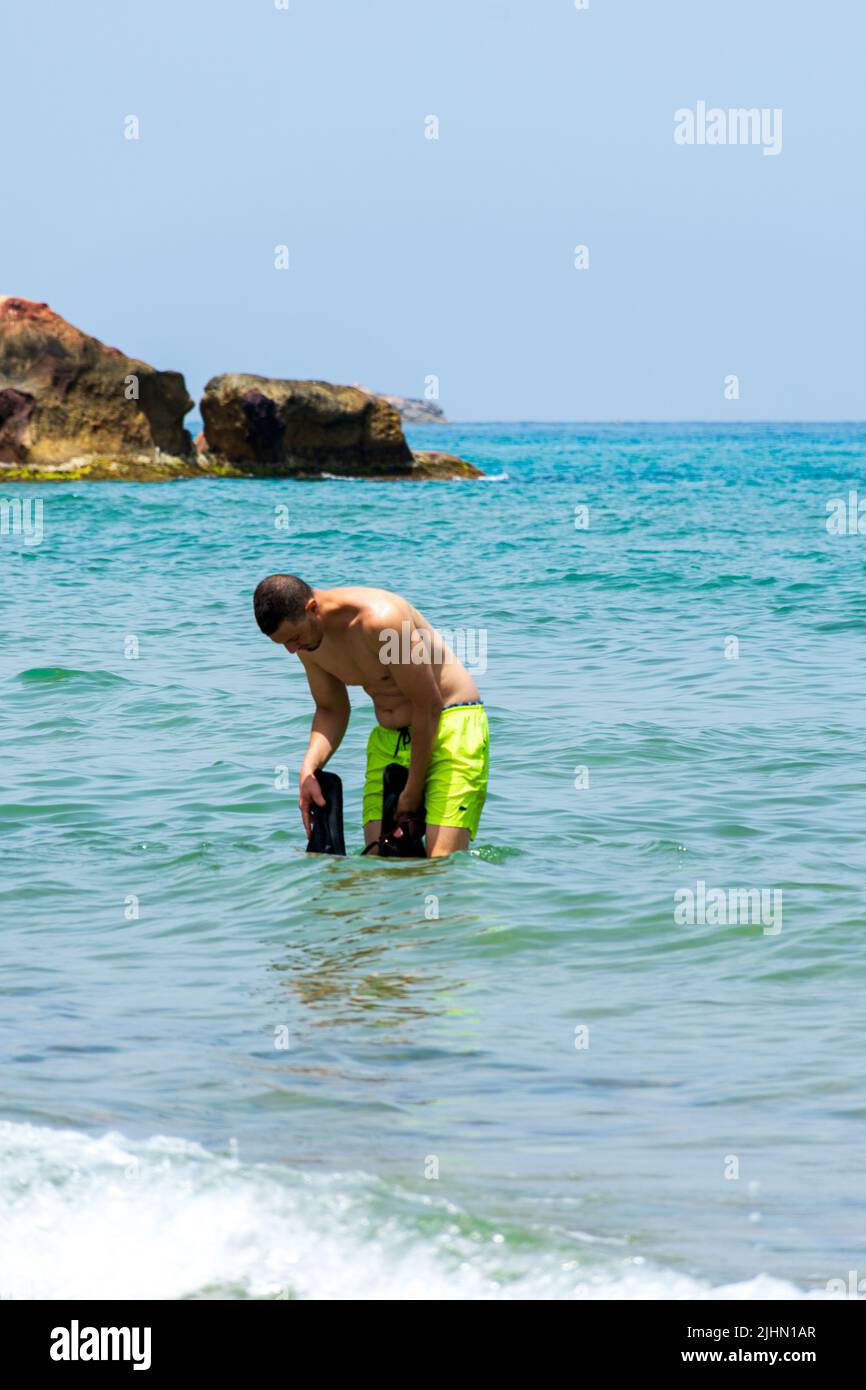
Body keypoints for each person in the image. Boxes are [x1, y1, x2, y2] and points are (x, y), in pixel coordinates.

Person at [253, 574, 488, 857]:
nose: (292, 649)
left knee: (438, 866)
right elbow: (332, 708)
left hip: (449, 726)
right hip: (389, 738)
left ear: (312, 608)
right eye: (283, 644)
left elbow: (428, 706)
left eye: (293, 639)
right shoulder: (308, 642)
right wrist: (309, 770)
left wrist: (413, 791)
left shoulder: (382, 622)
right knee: (380, 865)